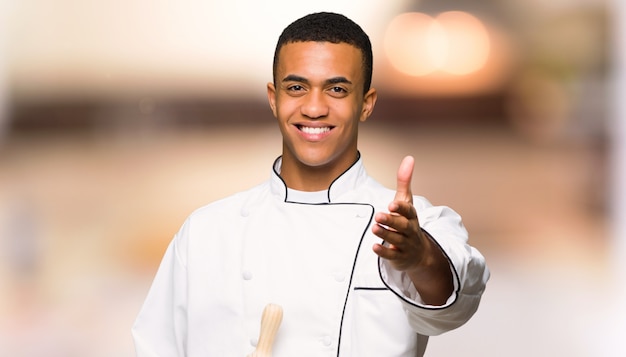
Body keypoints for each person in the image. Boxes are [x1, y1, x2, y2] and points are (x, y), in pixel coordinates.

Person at [132, 12, 489, 357]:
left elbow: (455, 304)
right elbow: (155, 347)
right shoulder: (207, 232)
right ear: (274, 99)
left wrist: (419, 257)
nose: (314, 108)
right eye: (297, 87)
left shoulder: (408, 225)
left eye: (336, 89)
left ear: (366, 104)